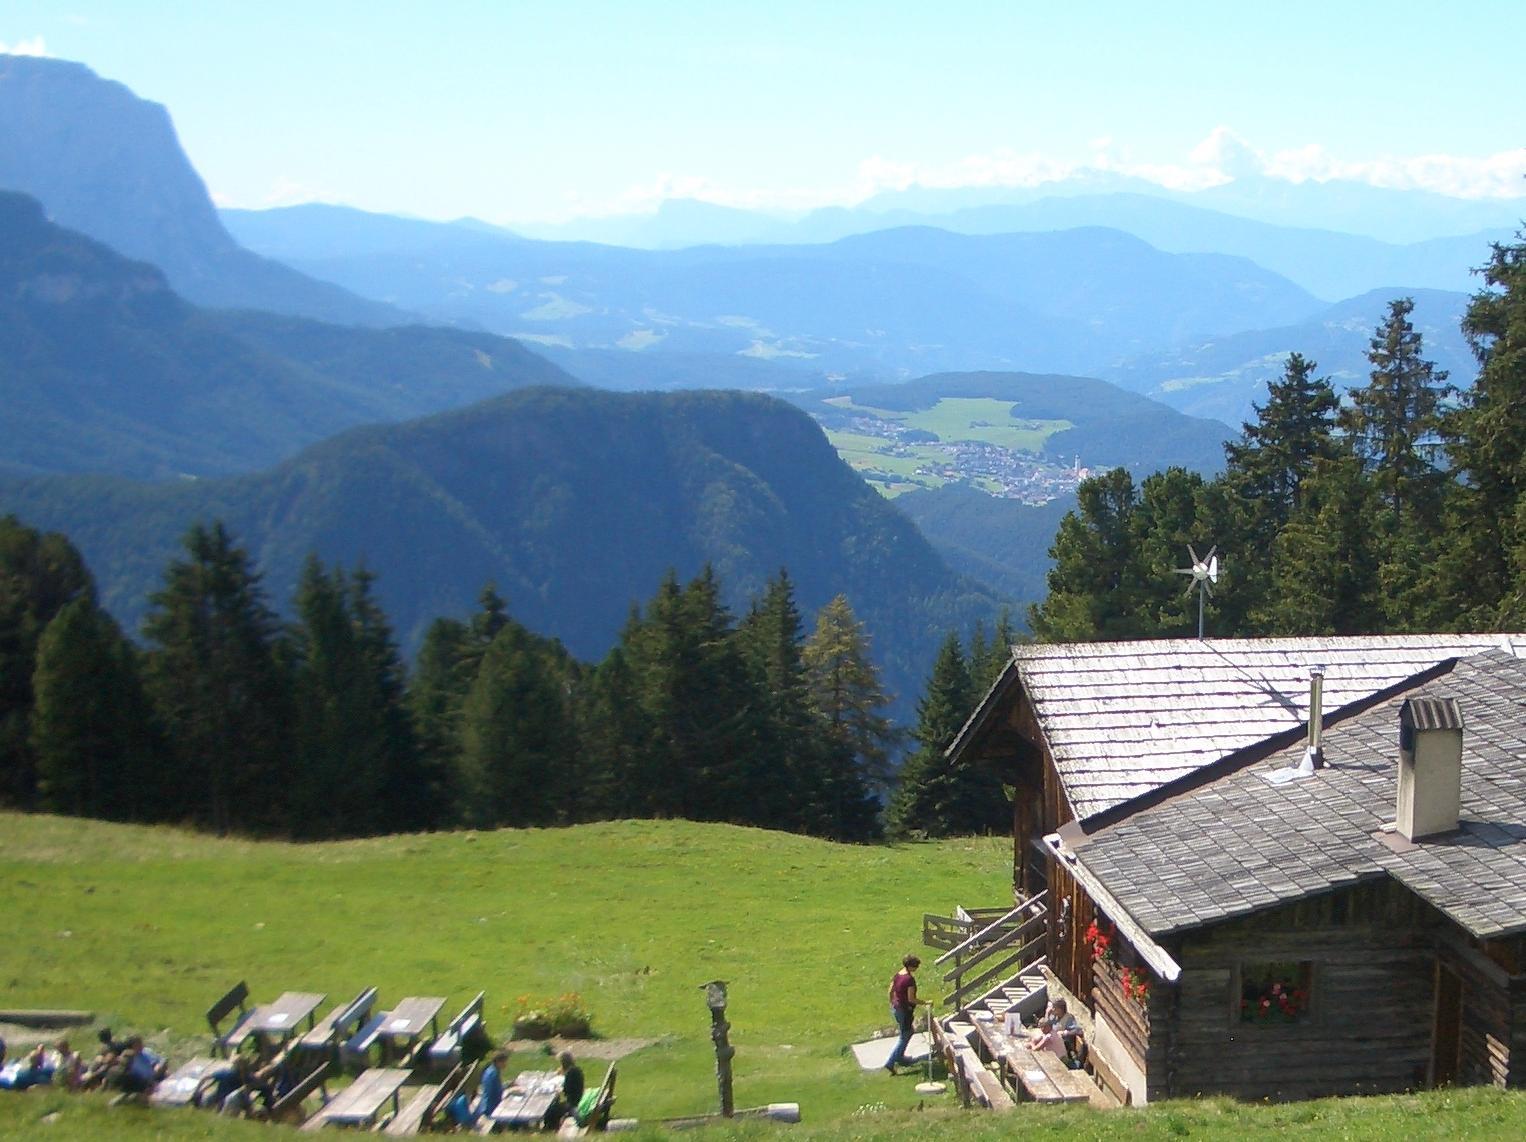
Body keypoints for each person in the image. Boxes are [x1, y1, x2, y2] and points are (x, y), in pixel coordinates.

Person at [884, 954, 926, 1075]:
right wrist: (925, 1002)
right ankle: (891, 1062)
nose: (917, 968)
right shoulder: (909, 980)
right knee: (905, 1035)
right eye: (915, 966)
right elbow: (911, 999)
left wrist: (892, 1002)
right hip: (905, 1010)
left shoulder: (898, 975)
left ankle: (901, 1057)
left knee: (907, 1032)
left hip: (897, 1008)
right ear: (910, 966)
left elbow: (890, 990)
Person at [450, 1048, 506, 1127]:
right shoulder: (493, 1074)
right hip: (491, 1106)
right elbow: (496, 1091)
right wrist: (509, 1090)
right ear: (498, 1062)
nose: (505, 1064)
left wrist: (507, 1085)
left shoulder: (490, 1070)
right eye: (504, 1062)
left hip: (485, 1103)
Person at [544, 1049, 585, 1129]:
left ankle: (550, 1128)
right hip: (577, 1098)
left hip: (573, 1103)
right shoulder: (576, 1069)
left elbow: (566, 1091)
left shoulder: (570, 1072)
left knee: (550, 1110)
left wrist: (558, 1089)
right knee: (555, 1105)